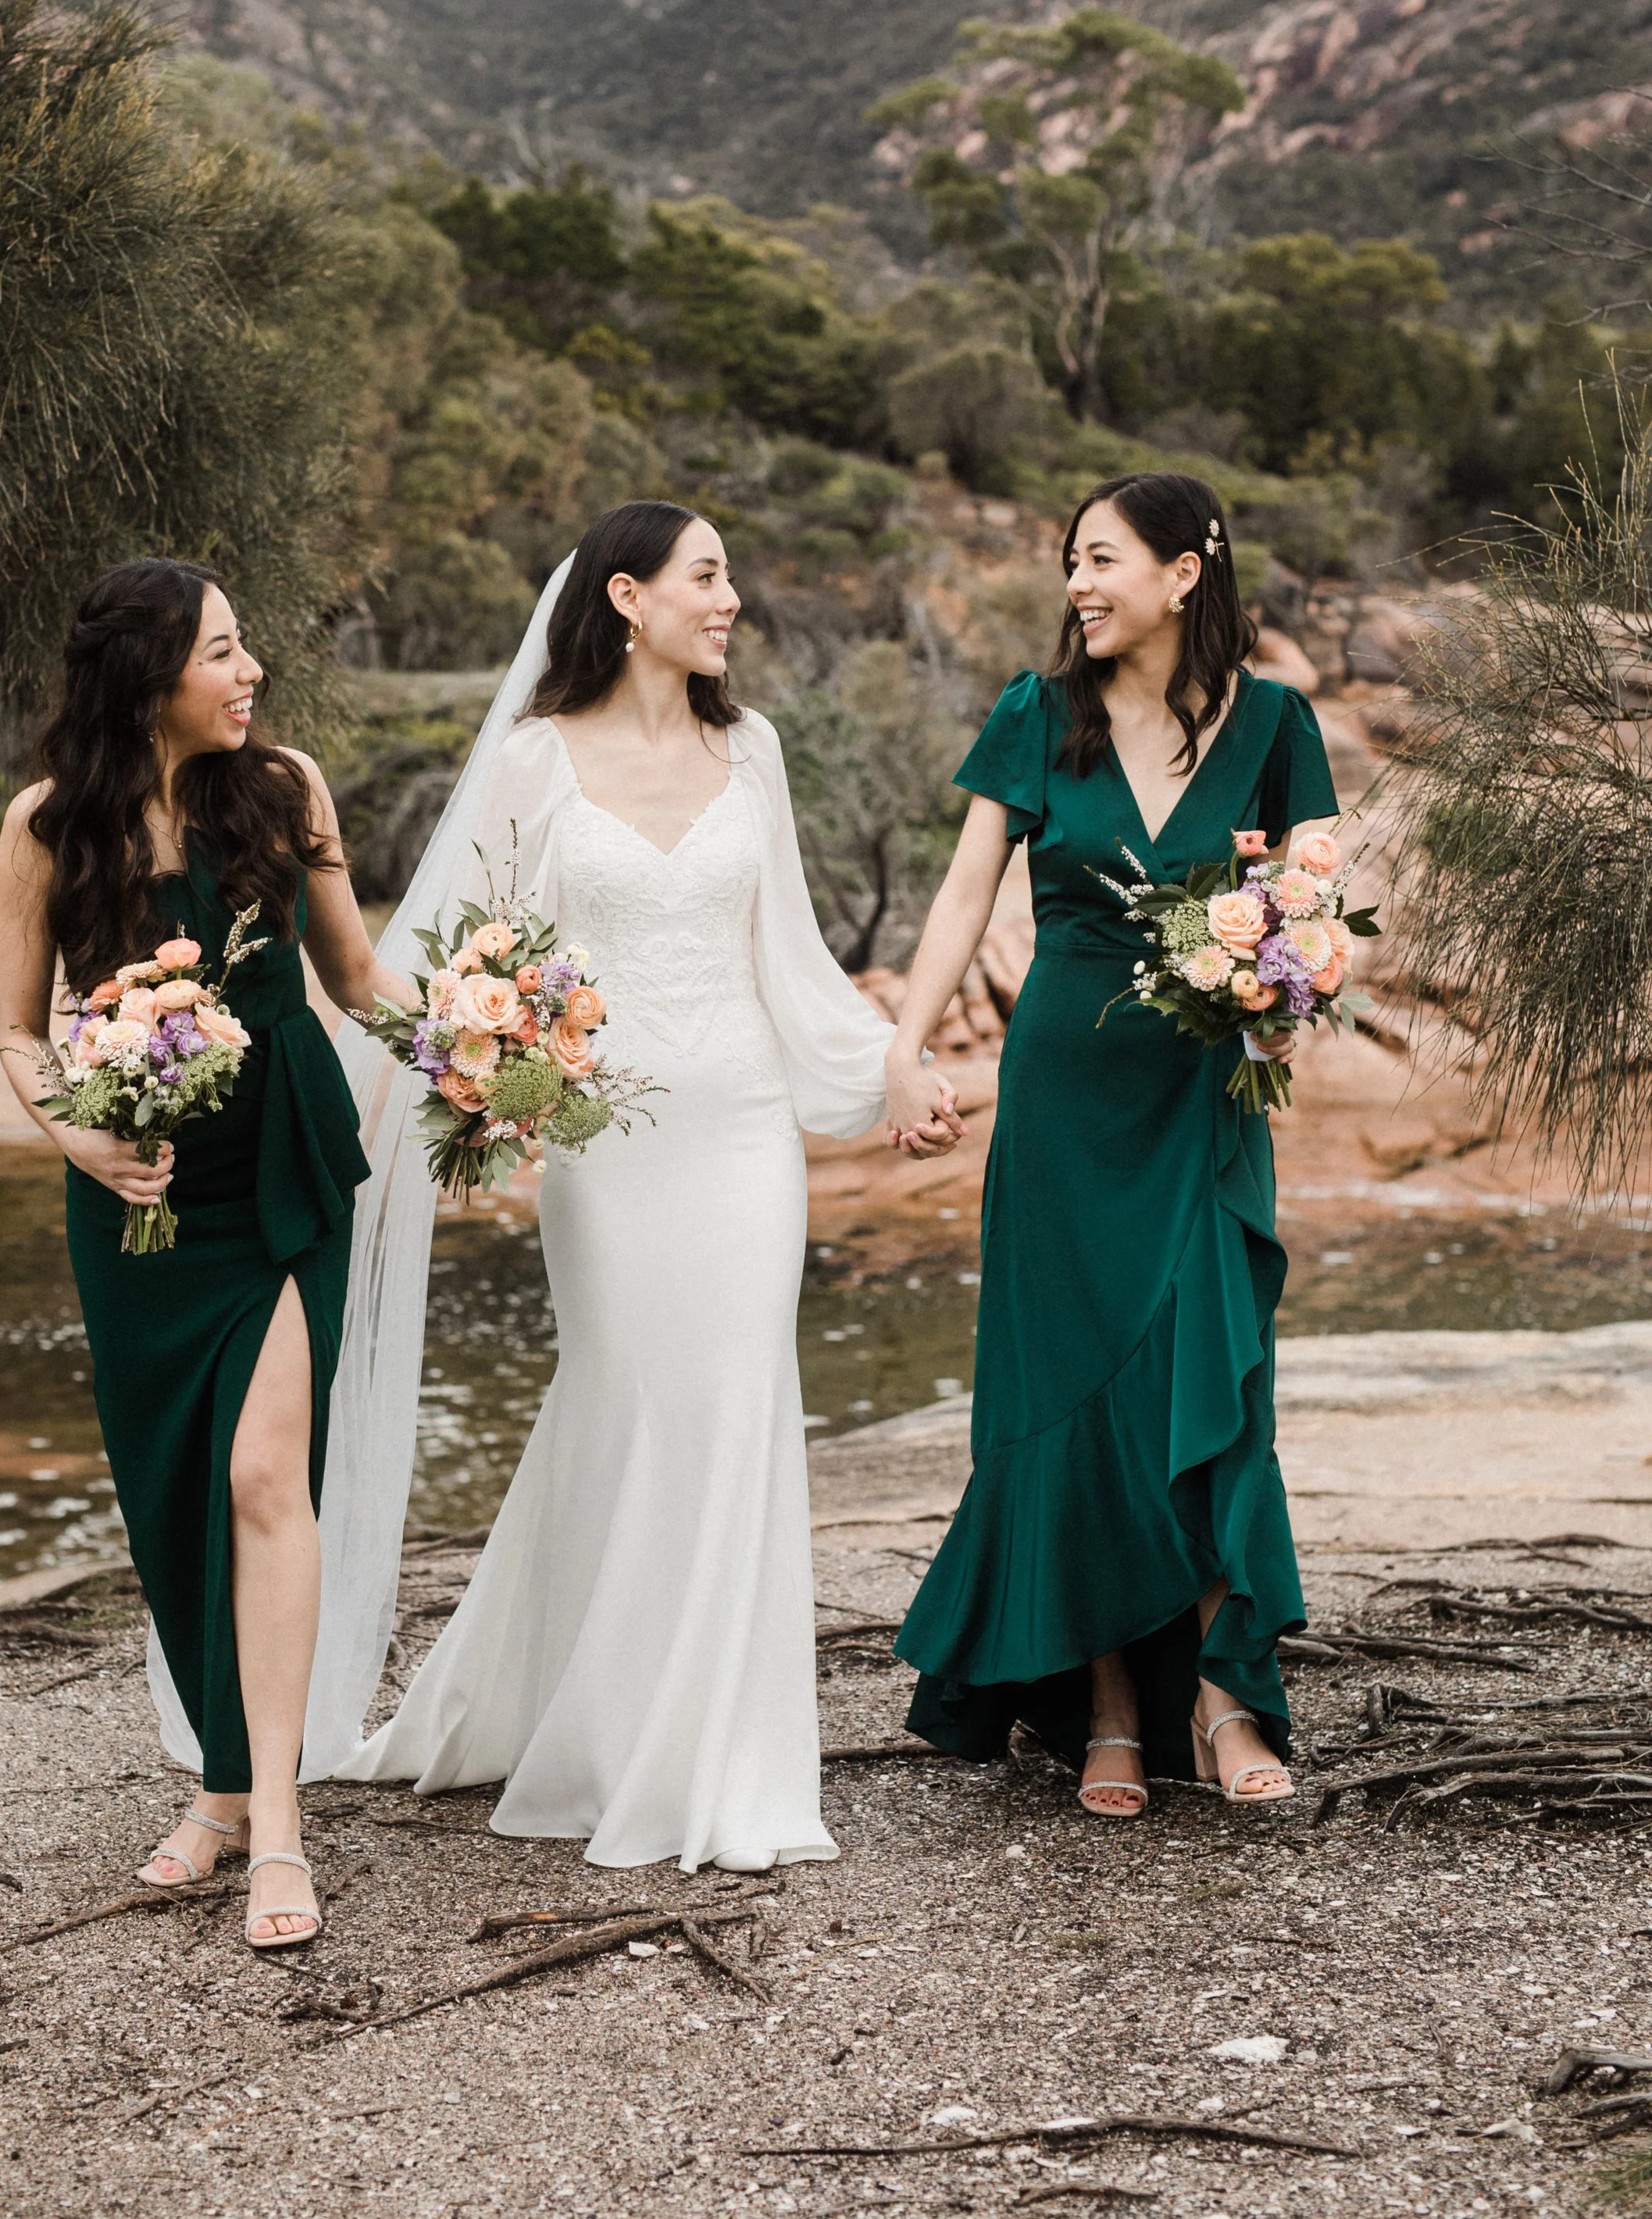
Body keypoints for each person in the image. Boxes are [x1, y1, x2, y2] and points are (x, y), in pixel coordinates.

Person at [344, 500, 959, 1869]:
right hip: (605, 1147)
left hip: (745, 1132)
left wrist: (886, 1074)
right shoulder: (531, 759)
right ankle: (602, 1729)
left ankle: (730, 1763)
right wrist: (478, 1083)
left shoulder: (755, 750)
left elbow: (787, 951)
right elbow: (473, 960)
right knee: (620, 1403)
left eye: (730, 573)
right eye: (708, 573)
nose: (731, 596)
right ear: (627, 596)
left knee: (739, 1411)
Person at [883, 473, 1340, 1814]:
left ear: (1186, 571)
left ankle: (1225, 1691)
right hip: (1064, 1104)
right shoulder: (1039, 715)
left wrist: (1285, 976)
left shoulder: (1275, 722)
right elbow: (968, 889)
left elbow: (1313, 889)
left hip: (1204, 1101)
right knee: (1071, 1390)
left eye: (1103, 559)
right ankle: (1109, 1706)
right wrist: (908, 1046)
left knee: (1211, 1373)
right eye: (1071, 562)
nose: (1079, 585)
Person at [0, 558, 416, 1947]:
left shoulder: (283, 788)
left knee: (260, 1472)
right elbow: (19, 1031)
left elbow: (354, 978)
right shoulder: (50, 827)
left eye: (247, 651)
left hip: (284, 1173)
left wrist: (479, 1035)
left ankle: (278, 1825)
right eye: (224, 653)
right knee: (177, 1495)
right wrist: (82, 1139)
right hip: (139, 1199)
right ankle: (223, 1785)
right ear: (151, 674)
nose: (250, 676)